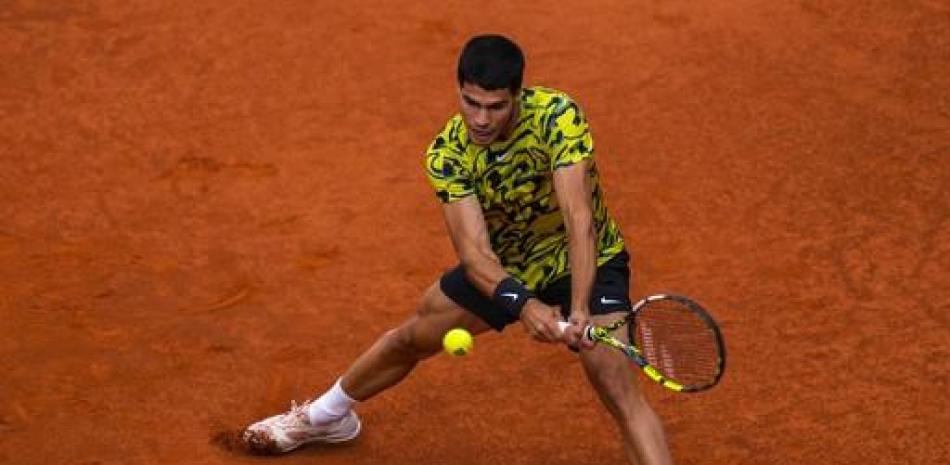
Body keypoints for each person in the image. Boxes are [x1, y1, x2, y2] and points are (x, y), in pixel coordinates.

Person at [243, 34, 674, 465]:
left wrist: (579, 308)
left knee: (618, 390)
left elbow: (579, 219)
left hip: (586, 263)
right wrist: (525, 306)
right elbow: (474, 255)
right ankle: (325, 417)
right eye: (471, 103)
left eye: (495, 106)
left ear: (518, 96)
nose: (481, 119)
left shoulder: (558, 118)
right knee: (413, 337)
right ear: (459, 90)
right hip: (508, 267)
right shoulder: (448, 154)